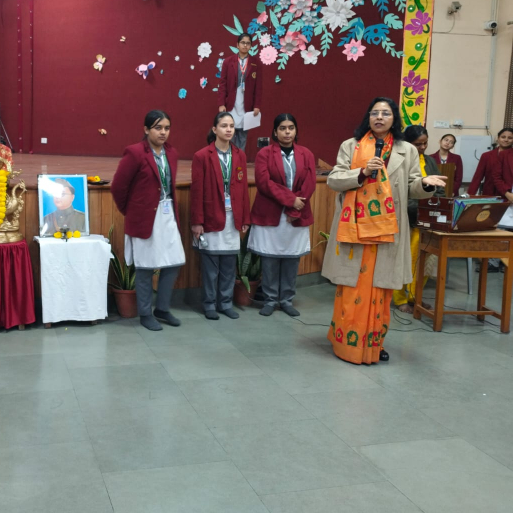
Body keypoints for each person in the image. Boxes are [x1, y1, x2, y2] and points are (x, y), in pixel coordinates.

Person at [322, 98, 446, 364]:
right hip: (355, 230)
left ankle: (374, 344)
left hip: (388, 231)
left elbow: (412, 186)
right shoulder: (351, 146)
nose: (379, 117)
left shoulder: (406, 150)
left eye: (385, 113)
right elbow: (334, 179)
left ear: (394, 119)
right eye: (375, 113)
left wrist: (425, 183)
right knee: (353, 288)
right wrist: (362, 172)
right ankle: (346, 343)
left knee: (380, 291)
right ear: (368, 117)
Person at [111, 110, 185, 331]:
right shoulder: (135, 153)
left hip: (167, 213)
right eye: (158, 128)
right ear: (146, 129)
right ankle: (145, 313)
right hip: (144, 217)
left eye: (167, 128)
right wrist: (130, 211)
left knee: (174, 261)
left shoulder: (172, 153)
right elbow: (118, 187)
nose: (163, 132)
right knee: (145, 267)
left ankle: (162, 308)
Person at [249, 114, 316, 317]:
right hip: (271, 212)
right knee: (269, 258)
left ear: (296, 131)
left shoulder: (306, 154)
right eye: (282, 128)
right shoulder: (265, 154)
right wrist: (290, 200)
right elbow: (264, 183)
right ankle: (270, 300)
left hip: (296, 214)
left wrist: (295, 209)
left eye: (291, 128)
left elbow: (310, 183)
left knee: (291, 259)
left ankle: (286, 300)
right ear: (275, 131)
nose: (287, 132)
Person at [190, 112, 251, 320]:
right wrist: (197, 222)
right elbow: (197, 191)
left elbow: (243, 189)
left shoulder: (240, 155)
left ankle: (225, 303)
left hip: (233, 218)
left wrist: (245, 218)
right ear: (215, 129)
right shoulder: (202, 156)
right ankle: (209, 304)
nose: (229, 129)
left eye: (231, 126)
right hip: (210, 216)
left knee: (229, 266)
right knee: (210, 267)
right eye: (224, 125)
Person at [394, 125, 445, 314]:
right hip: (407, 219)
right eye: (418, 144)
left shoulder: (430, 161)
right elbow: (401, 191)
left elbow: (440, 189)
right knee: (404, 260)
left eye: (425, 143)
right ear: (407, 143)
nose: (422, 147)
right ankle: (400, 298)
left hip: (427, 220)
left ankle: (416, 297)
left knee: (425, 262)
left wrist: (436, 205)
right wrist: (417, 207)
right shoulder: (400, 161)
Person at [217, 33, 262, 151]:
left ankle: (240, 158)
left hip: (246, 103)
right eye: (243, 43)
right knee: (229, 132)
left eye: (248, 43)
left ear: (251, 46)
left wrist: (257, 105)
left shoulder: (256, 63)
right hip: (231, 102)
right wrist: (221, 103)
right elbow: (222, 84)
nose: (245, 45)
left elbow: (258, 86)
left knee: (243, 134)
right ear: (237, 45)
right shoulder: (228, 61)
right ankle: (229, 156)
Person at [467, 128, 513, 196]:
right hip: (489, 193)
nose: (506, 140)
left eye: (510, 138)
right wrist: (469, 195)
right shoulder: (486, 156)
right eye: (503, 137)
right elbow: (478, 177)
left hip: (509, 194)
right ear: (498, 138)